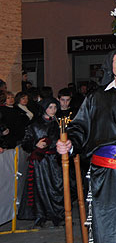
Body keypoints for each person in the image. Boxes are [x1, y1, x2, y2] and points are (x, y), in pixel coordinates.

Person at [56, 48, 116, 243]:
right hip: (105, 175)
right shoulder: (96, 97)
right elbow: (80, 126)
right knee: (109, 227)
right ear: (111, 68)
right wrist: (70, 143)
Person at [17, 97, 64, 227]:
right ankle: (40, 215)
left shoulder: (59, 124)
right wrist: (35, 144)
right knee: (40, 189)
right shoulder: (34, 124)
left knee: (57, 187)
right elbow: (25, 143)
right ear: (44, 108)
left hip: (55, 161)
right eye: (50, 107)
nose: (53, 110)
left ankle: (57, 215)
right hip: (41, 162)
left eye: (55, 107)